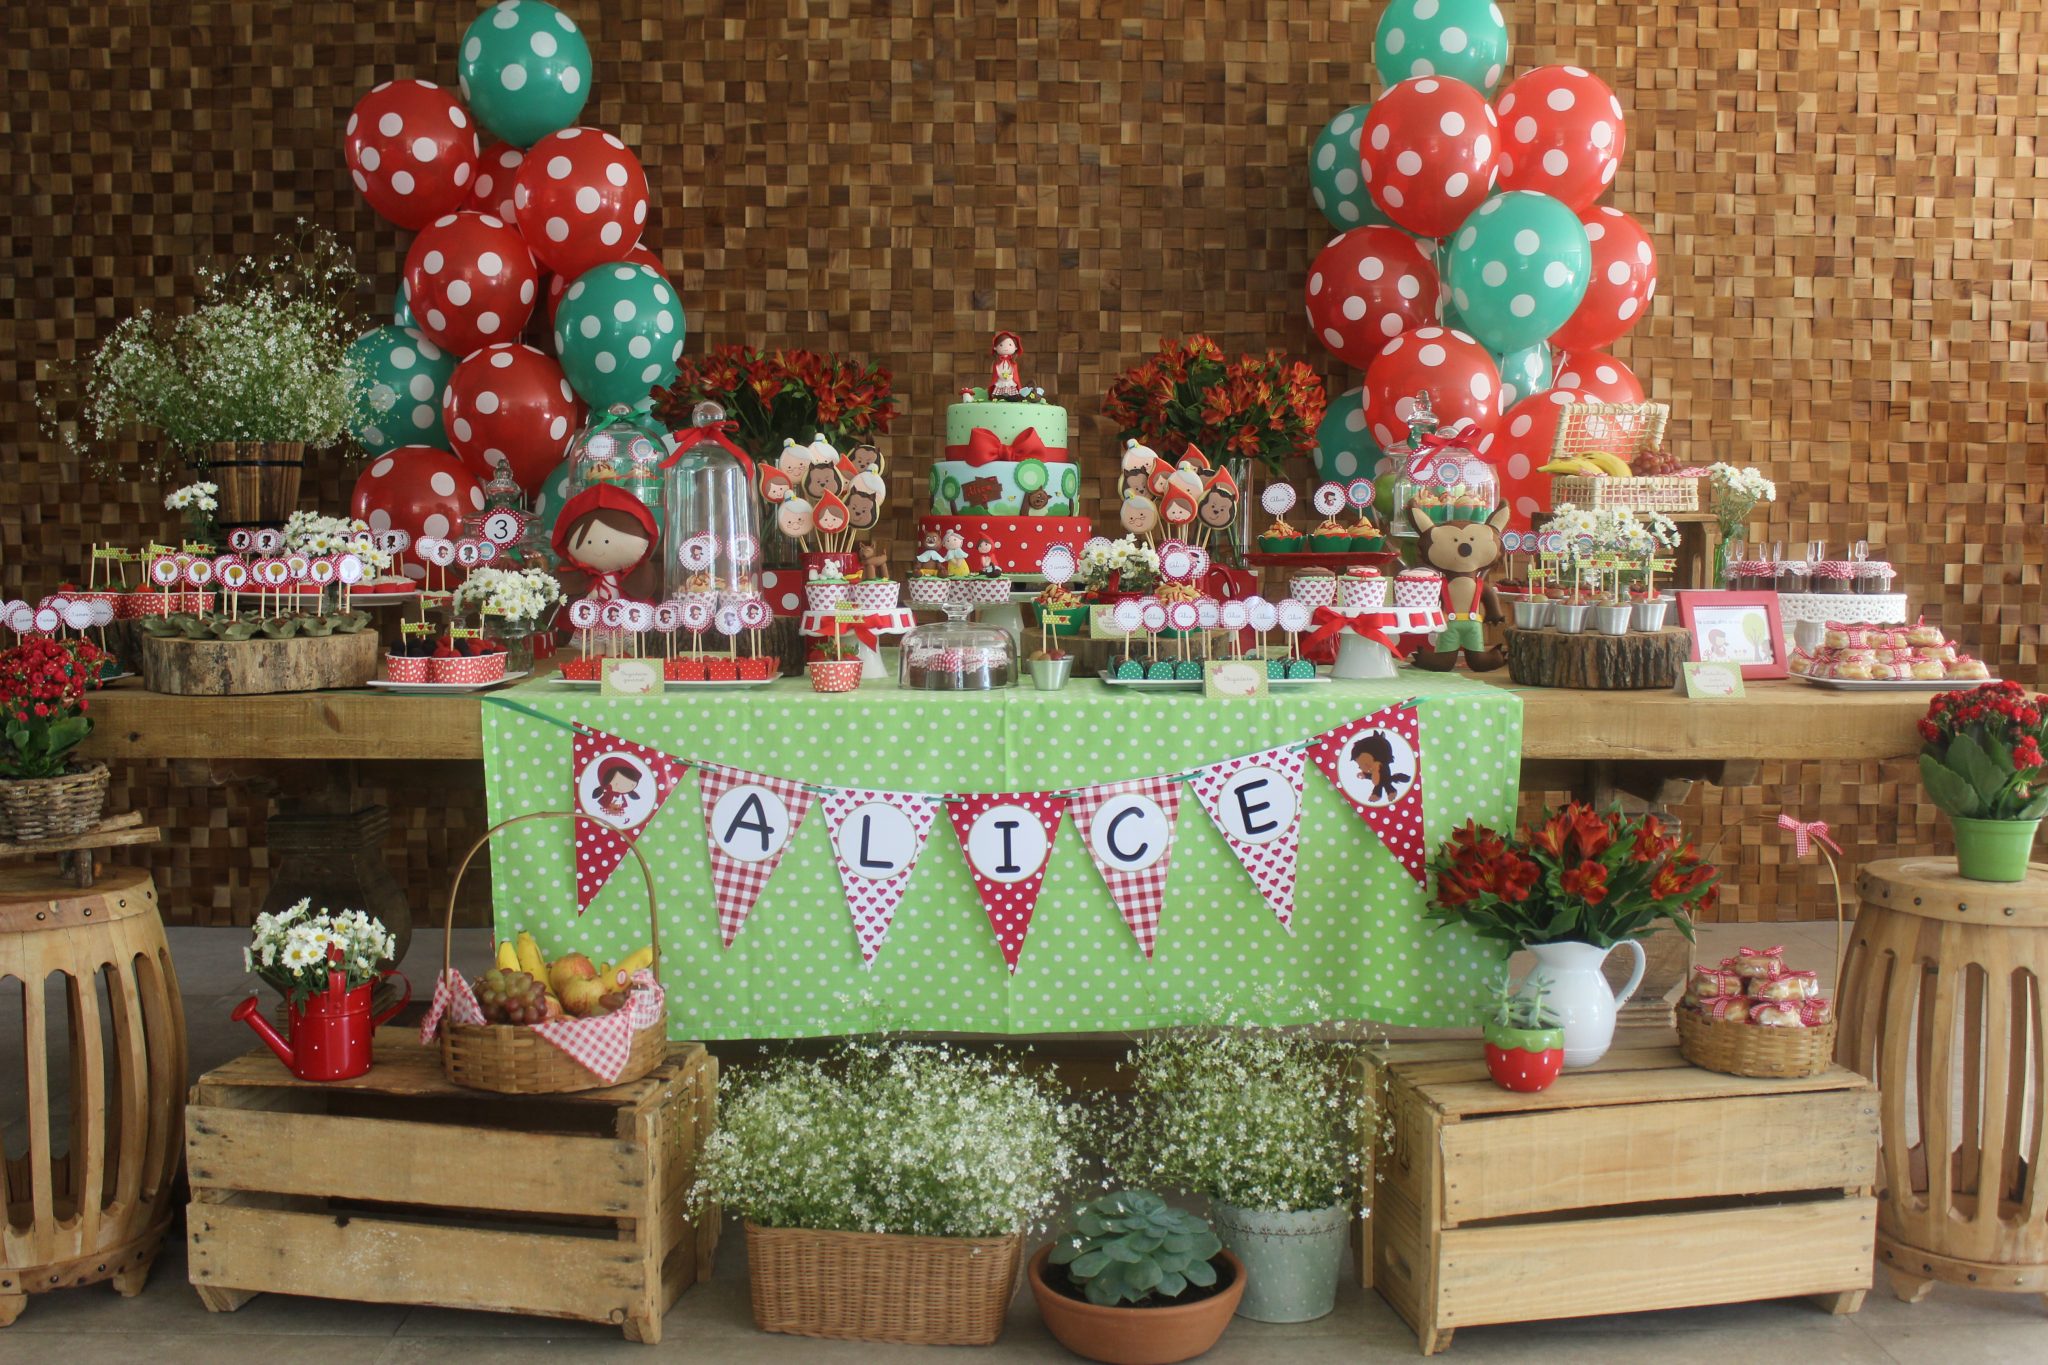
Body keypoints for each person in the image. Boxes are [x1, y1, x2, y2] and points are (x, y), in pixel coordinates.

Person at [1350, 731, 1411, 805]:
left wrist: (1367, 775)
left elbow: (1378, 777)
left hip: (1385, 779)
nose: (1360, 767)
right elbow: (1372, 776)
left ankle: (1390, 791)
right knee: (1378, 785)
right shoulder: (1373, 769)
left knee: (1386, 784)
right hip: (1378, 780)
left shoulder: (1381, 767)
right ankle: (1379, 794)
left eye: (1364, 764)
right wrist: (1365, 775)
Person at [990, 331, 1023, 398]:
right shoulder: (996, 363)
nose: (1006, 348)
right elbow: (997, 370)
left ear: (1015, 347)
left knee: (1011, 390)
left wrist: (1010, 376)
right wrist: (1000, 375)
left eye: (1010, 345)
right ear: (995, 348)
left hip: (1009, 379)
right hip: (1000, 379)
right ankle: (999, 396)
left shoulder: (1013, 363)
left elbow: (1013, 371)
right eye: (1001, 345)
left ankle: (1011, 396)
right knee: (999, 390)